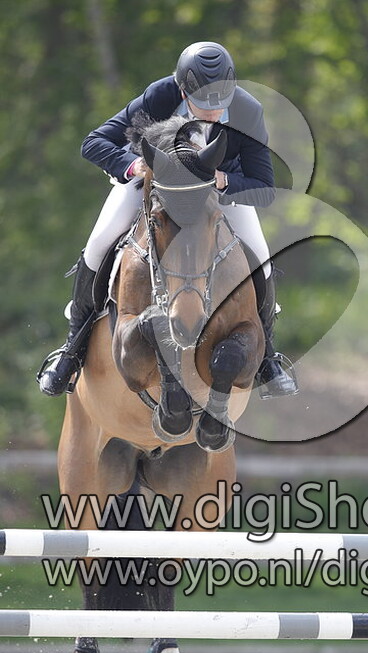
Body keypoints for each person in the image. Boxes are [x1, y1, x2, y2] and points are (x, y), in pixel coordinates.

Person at [38, 41, 298, 400]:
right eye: (203, 104)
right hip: (155, 187)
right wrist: (133, 165)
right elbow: (94, 142)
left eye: (220, 103)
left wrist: (224, 180)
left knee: (261, 258)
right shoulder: (160, 96)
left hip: (215, 194)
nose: (213, 112)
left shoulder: (247, 110)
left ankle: (268, 357)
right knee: (99, 243)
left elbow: (264, 188)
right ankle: (72, 350)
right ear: (182, 91)